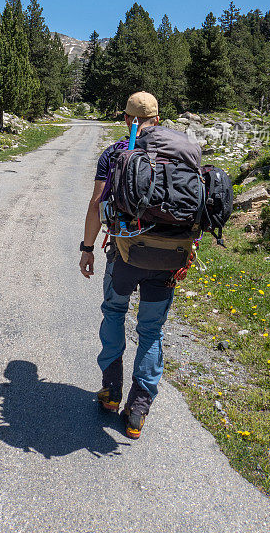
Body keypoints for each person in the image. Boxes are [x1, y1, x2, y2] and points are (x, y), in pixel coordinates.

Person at [79, 91, 176, 440]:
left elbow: (96, 204)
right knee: (151, 330)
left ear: (125, 119)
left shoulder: (115, 153)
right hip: (168, 258)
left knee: (115, 311)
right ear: (158, 120)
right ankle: (138, 410)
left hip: (124, 255)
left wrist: (87, 247)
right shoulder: (179, 152)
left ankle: (111, 391)